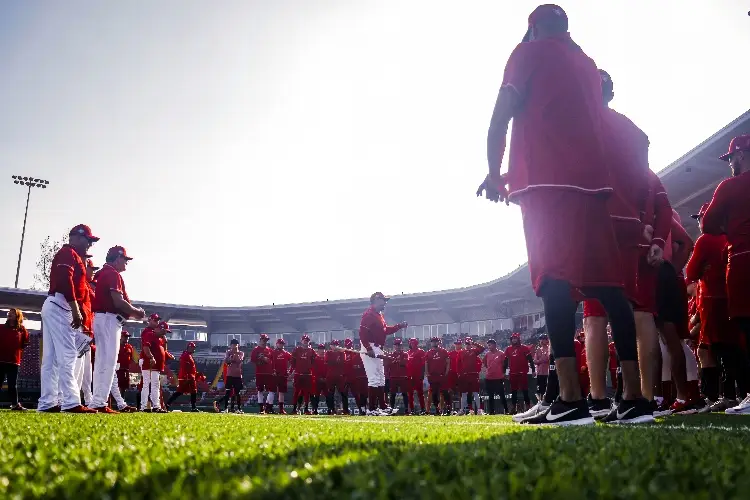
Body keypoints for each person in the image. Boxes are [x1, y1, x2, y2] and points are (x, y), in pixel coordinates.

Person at [477, 4, 650, 425]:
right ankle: (634, 399)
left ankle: (571, 399)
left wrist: (492, 171)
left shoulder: (527, 53)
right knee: (609, 289)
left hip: (544, 182)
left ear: (533, 28)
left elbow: (501, 114)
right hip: (593, 188)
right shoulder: (587, 64)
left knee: (553, 283)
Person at [581, 69, 658, 420]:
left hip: (593, 220)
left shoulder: (582, 123)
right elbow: (645, 185)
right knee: (625, 306)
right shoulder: (635, 132)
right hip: (628, 224)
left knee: (595, 316)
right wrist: (641, 220)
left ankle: (597, 397)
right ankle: (634, 396)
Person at [702, 134, 750, 414]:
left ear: (741, 155)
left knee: (747, 328)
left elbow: (707, 224)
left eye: (731, 157)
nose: (730, 163)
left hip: (743, 261)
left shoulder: (729, 186)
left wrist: (725, 226)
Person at [686, 203, 746, 413]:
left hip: (712, 301)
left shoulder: (705, 240)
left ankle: (724, 396)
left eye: (700, 218)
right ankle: (736, 394)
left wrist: (701, 269)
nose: (699, 223)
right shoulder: (729, 237)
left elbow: (691, 272)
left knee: (720, 350)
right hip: (731, 298)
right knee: (732, 348)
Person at [38, 224, 100, 414]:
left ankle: (48, 402)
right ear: (77, 237)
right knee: (68, 354)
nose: (90, 244)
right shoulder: (68, 253)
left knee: (52, 359)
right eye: (88, 240)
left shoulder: (70, 254)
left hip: (55, 304)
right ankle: (71, 401)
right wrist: (75, 308)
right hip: (61, 304)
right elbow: (65, 280)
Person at [91, 246, 146, 413]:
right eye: (125, 260)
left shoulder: (103, 273)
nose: (126, 263)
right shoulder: (112, 273)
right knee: (107, 362)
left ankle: (97, 401)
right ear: (117, 259)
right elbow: (118, 302)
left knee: (102, 362)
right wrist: (137, 312)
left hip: (103, 319)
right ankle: (99, 402)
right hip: (109, 319)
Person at [358, 292, 407, 415]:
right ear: (376, 300)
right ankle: (372, 409)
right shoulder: (368, 314)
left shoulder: (379, 315)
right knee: (374, 378)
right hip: (369, 346)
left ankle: (382, 407)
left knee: (380, 379)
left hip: (378, 347)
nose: (385, 303)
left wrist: (398, 326)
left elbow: (385, 330)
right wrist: (368, 348)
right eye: (383, 300)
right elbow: (362, 333)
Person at [0, 308, 30, 410]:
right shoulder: (1, 327)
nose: (9, 314)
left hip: (13, 362)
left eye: (12, 313)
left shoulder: (22, 330)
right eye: (9, 313)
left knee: (12, 385)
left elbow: (24, 344)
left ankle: (15, 404)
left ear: (17, 316)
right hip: (0, 360)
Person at [140, 321, 169, 413]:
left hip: (156, 366)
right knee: (146, 385)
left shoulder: (159, 339)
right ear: (160, 328)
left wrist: (165, 342)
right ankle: (144, 406)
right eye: (164, 331)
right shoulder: (150, 335)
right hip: (149, 363)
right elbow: (146, 347)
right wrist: (151, 357)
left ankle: (156, 406)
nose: (165, 333)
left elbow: (163, 350)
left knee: (155, 385)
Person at [504, 333, 535, 413]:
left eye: (515, 338)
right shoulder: (508, 349)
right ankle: (514, 408)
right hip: (513, 373)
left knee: (525, 390)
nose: (514, 339)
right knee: (513, 391)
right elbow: (506, 362)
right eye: (513, 338)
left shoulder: (524, 348)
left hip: (523, 372)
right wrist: (505, 372)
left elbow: (530, 360)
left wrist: (534, 370)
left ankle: (528, 407)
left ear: (518, 339)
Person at [166, 342, 200, 412]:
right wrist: (186, 376)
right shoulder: (185, 355)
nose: (193, 349)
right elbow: (184, 367)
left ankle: (193, 407)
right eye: (192, 348)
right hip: (186, 377)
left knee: (193, 391)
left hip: (190, 376)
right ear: (189, 348)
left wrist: (196, 375)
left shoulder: (188, 355)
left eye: (194, 348)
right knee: (180, 392)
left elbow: (191, 368)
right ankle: (167, 404)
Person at [458, 337, 485, 414]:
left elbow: (482, 348)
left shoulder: (474, 351)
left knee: (476, 392)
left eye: (468, 343)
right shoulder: (461, 352)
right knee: (463, 393)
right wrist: (460, 374)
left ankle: (479, 410)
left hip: (473, 375)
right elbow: (458, 364)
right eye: (466, 343)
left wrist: (473, 343)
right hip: (465, 376)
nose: (467, 345)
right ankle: (462, 410)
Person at [291, 334, 316, 415]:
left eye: (307, 340)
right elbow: (293, 362)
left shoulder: (311, 350)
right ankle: (294, 409)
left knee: (306, 392)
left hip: (308, 374)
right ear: (301, 341)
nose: (306, 342)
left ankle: (306, 409)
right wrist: (292, 371)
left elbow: (314, 361)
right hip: (298, 374)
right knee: (296, 392)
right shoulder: (297, 350)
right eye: (304, 340)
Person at [425, 337, 451, 415]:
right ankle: (437, 409)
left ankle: (449, 408)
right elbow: (426, 364)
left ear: (439, 342)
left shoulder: (444, 351)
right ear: (431, 343)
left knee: (445, 392)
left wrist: (446, 372)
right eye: (433, 342)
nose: (434, 343)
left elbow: (448, 362)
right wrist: (427, 373)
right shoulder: (428, 353)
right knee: (434, 394)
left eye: (436, 341)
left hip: (442, 375)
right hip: (433, 376)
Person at [113, 330, 137, 412]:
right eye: (125, 336)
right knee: (116, 386)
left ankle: (122, 403)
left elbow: (131, 358)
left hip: (126, 369)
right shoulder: (116, 345)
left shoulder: (130, 347)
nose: (127, 338)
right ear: (120, 337)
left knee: (124, 387)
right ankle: (116, 404)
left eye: (128, 337)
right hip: (117, 369)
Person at [250, 334, 275, 414]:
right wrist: (259, 359)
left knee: (271, 390)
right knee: (260, 390)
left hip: (269, 373)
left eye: (266, 340)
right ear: (260, 340)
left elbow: (272, 361)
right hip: (260, 372)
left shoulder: (269, 350)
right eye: (264, 340)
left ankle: (268, 406)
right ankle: (261, 408)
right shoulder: (256, 350)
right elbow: (253, 360)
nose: (265, 342)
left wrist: (265, 359)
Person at [483, 339, 508, 415]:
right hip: (489, 378)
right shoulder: (487, 354)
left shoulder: (501, 353)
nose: (489, 347)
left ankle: (506, 410)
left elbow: (505, 364)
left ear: (494, 345)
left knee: (502, 395)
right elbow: (485, 363)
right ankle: (491, 412)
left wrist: (503, 373)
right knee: (490, 395)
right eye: (488, 345)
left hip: (498, 378)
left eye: (490, 345)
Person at [220, 339, 245, 413]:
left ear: (238, 345)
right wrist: (231, 359)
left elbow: (239, 360)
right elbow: (226, 361)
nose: (234, 346)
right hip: (230, 374)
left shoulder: (241, 353)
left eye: (235, 345)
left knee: (238, 393)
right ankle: (225, 408)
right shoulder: (228, 352)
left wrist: (232, 358)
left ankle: (239, 408)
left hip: (237, 375)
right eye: (233, 345)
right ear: (231, 345)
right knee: (228, 392)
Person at [325, 339, 347, 414]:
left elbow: (343, 362)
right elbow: (328, 362)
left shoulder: (342, 353)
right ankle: (331, 409)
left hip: (340, 376)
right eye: (333, 345)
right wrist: (336, 360)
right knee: (330, 393)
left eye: (336, 345)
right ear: (330, 346)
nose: (334, 346)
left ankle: (345, 409)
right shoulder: (328, 353)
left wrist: (338, 358)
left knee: (343, 393)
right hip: (330, 376)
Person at [387, 339, 410, 413]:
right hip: (393, 377)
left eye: (399, 345)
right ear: (394, 346)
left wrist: (397, 361)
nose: (398, 346)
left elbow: (405, 363)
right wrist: (396, 361)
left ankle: (406, 410)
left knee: (404, 393)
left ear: (401, 346)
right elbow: (389, 364)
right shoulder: (391, 355)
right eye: (396, 345)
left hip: (403, 377)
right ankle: (392, 410)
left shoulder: (405, 354)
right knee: (392, 394)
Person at [405, 338, 427, 415]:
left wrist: (422, 374)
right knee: (410, 394)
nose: (412, 344)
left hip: (418, 376)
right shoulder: (407, 353)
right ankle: (412, 410)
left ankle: (423, 409)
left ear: (416, 343)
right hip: (409, 376)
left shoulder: (421, 352)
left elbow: (423, 364)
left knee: (420, 393)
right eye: (411, 343)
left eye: (413, 343)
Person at [271, 339, 292, 414]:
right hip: (274, 374)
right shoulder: (273, 352)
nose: (281, 345)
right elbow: (269, 363)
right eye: (280, 343)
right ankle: (269, 407)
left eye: (282, 344)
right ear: (276, 344)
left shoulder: (286, 353)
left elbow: (293, 361)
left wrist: (290, 370)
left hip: (283, 375)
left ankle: (281, 409)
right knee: (272, 391)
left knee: (281, 392)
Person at [311, 343, 327, 414]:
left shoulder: (327, 358)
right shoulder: (316, 359)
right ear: (318, 350)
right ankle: (315, 409)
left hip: (326, 380)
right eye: (320, 349)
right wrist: (318, 378)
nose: (322, 350)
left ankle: (331, 409)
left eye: (323, 349)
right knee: (316, 395)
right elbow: (314, 370)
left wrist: (326, 378)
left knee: (328, 395)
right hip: (318, 380)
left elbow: (329, 369)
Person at [533, 334, 551, 400]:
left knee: (546, 389)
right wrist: (541, 360)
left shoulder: (550, 348)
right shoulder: (538, 350)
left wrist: (540, 360)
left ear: (547, 340)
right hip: (539, 373)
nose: (541, 341)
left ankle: (546, 401)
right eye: (540, 339)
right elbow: (535, 361)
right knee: (539, 389)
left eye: (543, 339)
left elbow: (548, 359)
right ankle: (540, 401)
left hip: (547, 373)